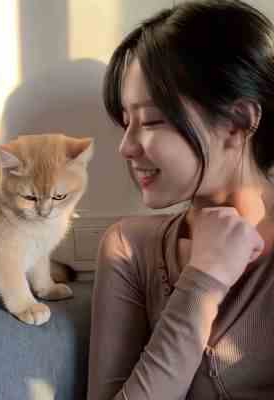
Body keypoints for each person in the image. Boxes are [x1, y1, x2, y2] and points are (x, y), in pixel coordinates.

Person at [87, 1, 274, 399]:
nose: (125, 147)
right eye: (126, 123)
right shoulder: (129, 248)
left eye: (152, 120)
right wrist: (204, 278)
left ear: (238, 122)